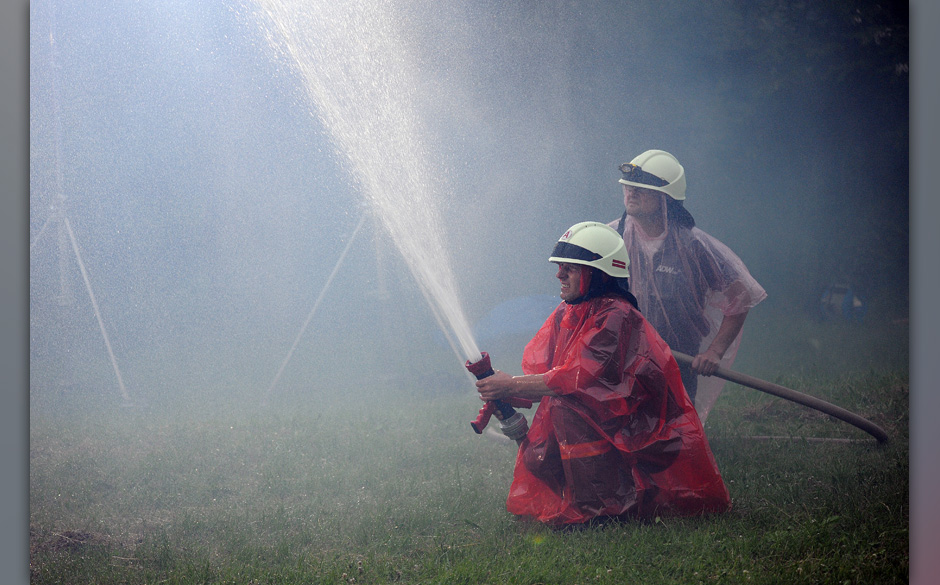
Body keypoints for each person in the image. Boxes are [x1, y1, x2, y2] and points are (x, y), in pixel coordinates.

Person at [476, 221, 730, 526]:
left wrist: (511, 385)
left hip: (641, 426)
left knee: (565, 409)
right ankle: (588, 499)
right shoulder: (570, 312)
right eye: (561, 267)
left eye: (570, 268)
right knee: (551, 424)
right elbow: (551, 372)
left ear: (596, 273)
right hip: (606, 415)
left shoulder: (615, 315)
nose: (559, 274)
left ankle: (605, 507)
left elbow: (574, 379)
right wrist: (512, 390)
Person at [610, 150, 766, 420]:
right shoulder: (610, 240)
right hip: (621, 356)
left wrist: (715, 351)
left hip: (678, 360)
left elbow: (741, 297)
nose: (631, 193)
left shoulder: (695, 246)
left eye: (641, 189)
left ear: (666, 199)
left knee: (677, 434)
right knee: (622, 429)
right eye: (629, 187)